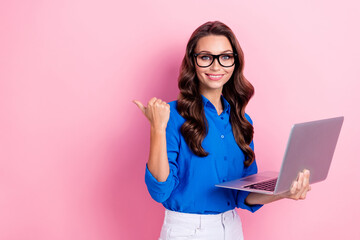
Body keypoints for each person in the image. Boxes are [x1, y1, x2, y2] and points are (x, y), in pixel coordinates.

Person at [134, 21, 311, 240]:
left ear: (235, 62)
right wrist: (158, 128)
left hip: (231, 228)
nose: (216, 67)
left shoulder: (242, 121)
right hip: (187, 231)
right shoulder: (170, 115)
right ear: (193, 62)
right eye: (206, 57)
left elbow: (241, 194)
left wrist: (284, 191)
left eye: (225, 57)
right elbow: (160, 191)